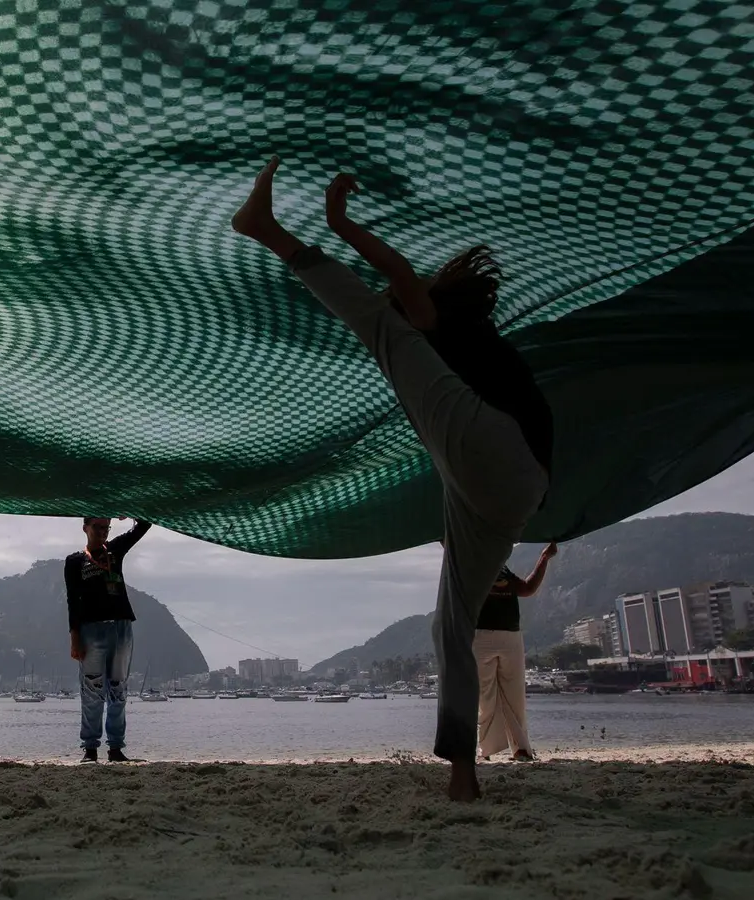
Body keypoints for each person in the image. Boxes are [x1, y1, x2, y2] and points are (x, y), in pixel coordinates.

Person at [234, 157, 553, 800]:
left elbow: (399, 278)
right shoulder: (472, 353)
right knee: (449, 625)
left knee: (379, 330)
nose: (402, 307)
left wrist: (339, 223)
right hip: (510, 493)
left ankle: (265, 228)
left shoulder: (437, 323)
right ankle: (463, 772)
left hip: (496, 448)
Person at [65, 517, 152, 763]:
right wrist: (75, 638)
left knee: (118, 689)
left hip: (121, 627)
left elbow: (144, 525)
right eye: (97, 528)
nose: (102, 532)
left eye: (106, 528)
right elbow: (72, 601)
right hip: (90, 630)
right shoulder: (74, 561)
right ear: (85, 528)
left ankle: (115, 749)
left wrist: (126, 509)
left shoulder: (115, 550)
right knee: (92, 689)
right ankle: (90, 749)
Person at [476, 542, 558, 763]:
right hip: (480, 635)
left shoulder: (503, 570)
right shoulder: (470, 565)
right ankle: (485, 750)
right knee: (485, 696)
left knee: (514, 695)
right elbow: (453, 552)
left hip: (510, 636)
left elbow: (528, 589)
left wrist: (544, 557)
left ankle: (520, 750)